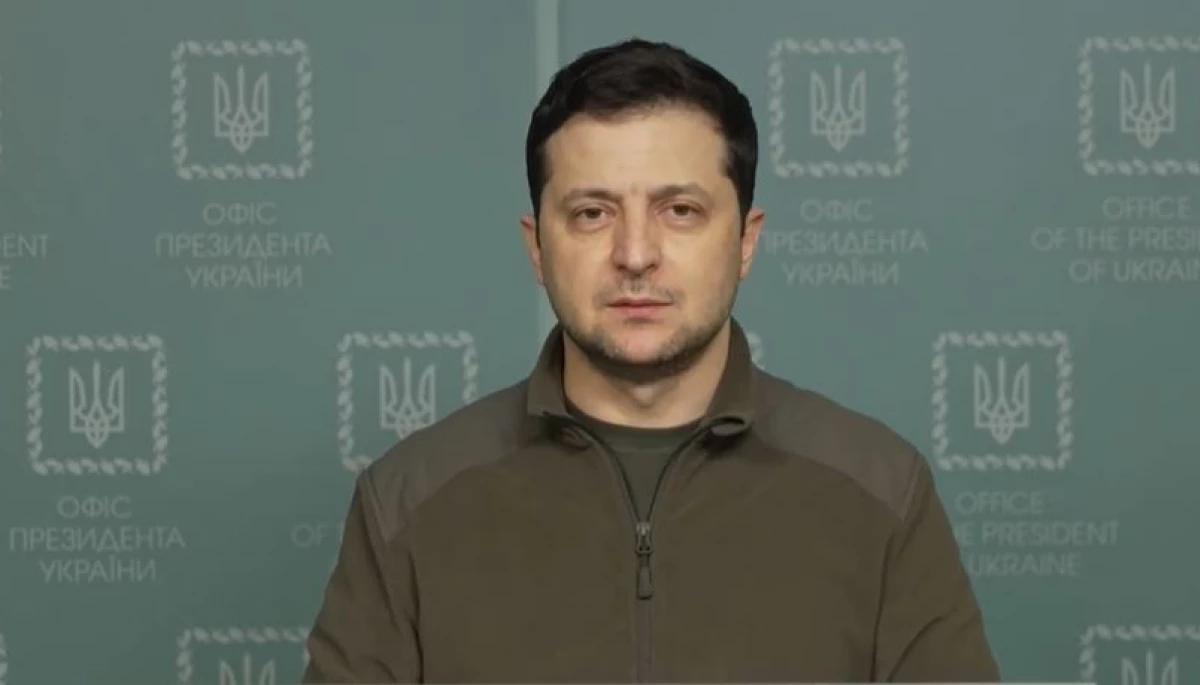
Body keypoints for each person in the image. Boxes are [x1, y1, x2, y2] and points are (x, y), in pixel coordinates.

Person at [302, 37, 999, 683]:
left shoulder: (881, 492)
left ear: (747, 240)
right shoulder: (409, 501)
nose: (635, 254)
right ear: (537, 247)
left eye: (680, 210)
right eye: (592, 213)